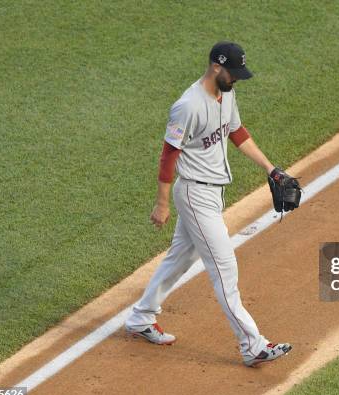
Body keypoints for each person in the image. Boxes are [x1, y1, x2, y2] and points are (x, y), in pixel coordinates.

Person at [124, 41, 292, 367]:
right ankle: (251, 344)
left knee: (181, 257)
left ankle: (141, 317)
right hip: (194, 194)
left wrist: (270, 168)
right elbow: (167, 155)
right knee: (224, 268)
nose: (238, 79)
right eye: (234, 73)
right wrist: (162, 204)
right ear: (216, 67)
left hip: (213, 193)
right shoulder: (187, 106)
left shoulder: (226, 93)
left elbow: (237, 132)